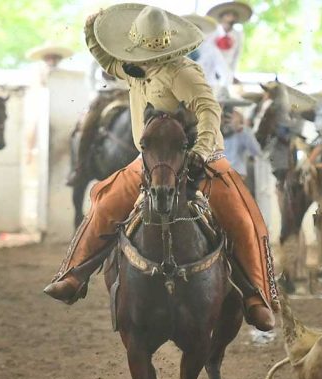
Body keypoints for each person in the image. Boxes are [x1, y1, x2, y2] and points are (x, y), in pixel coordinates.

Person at [44, 4, 277, 331]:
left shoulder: (182, 72)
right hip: (151, 162)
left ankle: (257, 297)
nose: (138, 56)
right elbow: (108, 62)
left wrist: (201, 148)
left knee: (241, 218)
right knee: (103, 203)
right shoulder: (133, 67)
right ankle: (74, 274)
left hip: (199, 160)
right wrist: (90, 33)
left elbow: (208, 109)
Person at [206, 1, 252, 89]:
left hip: (227, 72)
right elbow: (207, 54)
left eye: (234, 15)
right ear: (222, 16)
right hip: (209, 72)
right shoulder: (212, 32)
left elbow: (236, 56)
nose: (231, 17)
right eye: (228, 15)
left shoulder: (238, 35)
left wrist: (231, 73)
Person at [183, 13, 230, 94]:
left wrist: (221, 92)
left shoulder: (211, 50)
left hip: (207, 91)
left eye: (197, 30)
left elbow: (224, 72)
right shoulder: (179, 50)